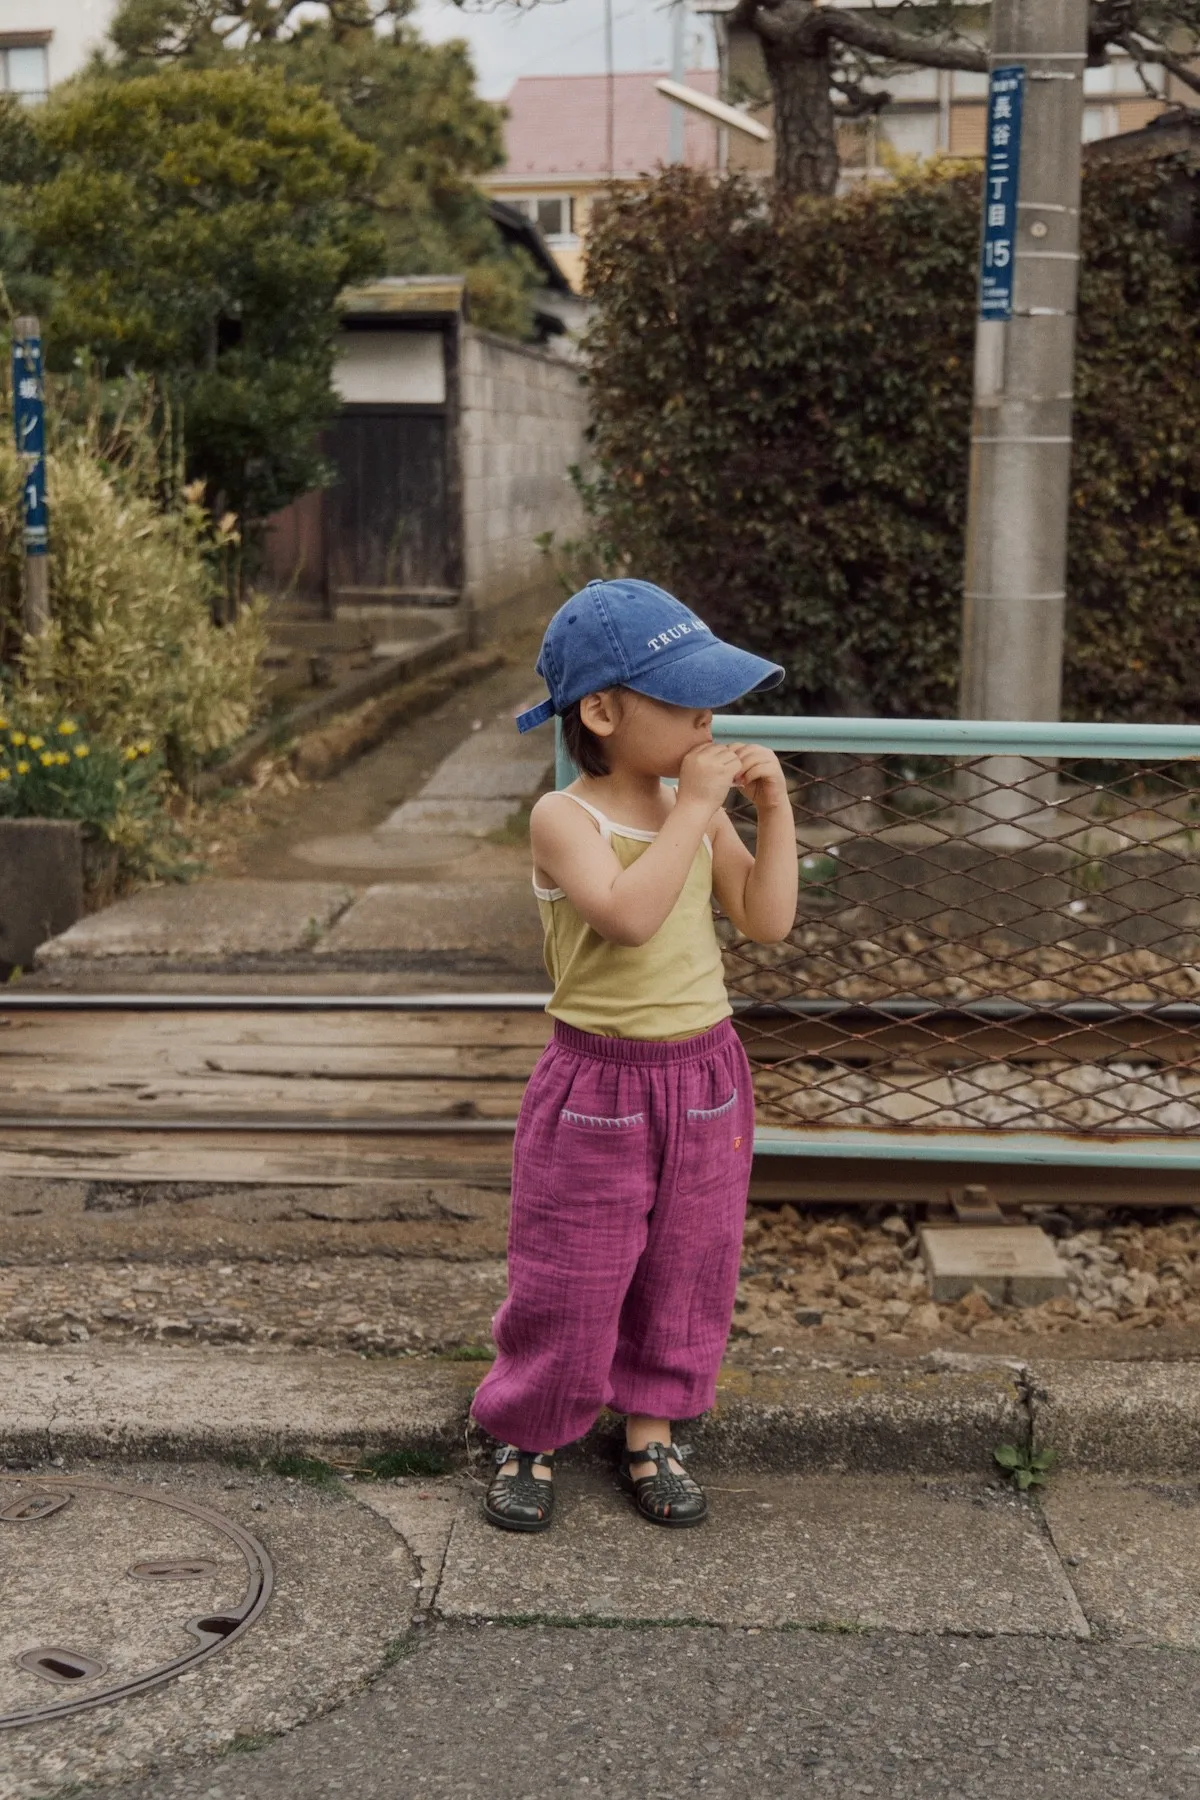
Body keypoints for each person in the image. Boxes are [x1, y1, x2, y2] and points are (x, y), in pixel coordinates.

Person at [469, 578, 797, 1531]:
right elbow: (626, 917)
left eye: (712, 699)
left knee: (687, 1266)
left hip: (706, 1075)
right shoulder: (565, 819)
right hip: (597, 1084)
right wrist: (695, 811)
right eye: (685, 699)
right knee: (571, 1270)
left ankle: (653, 1428)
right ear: (603, 713)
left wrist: (772, 810)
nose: (708, 718)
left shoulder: (697, 811)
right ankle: (530, 1431)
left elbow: (766, 920)